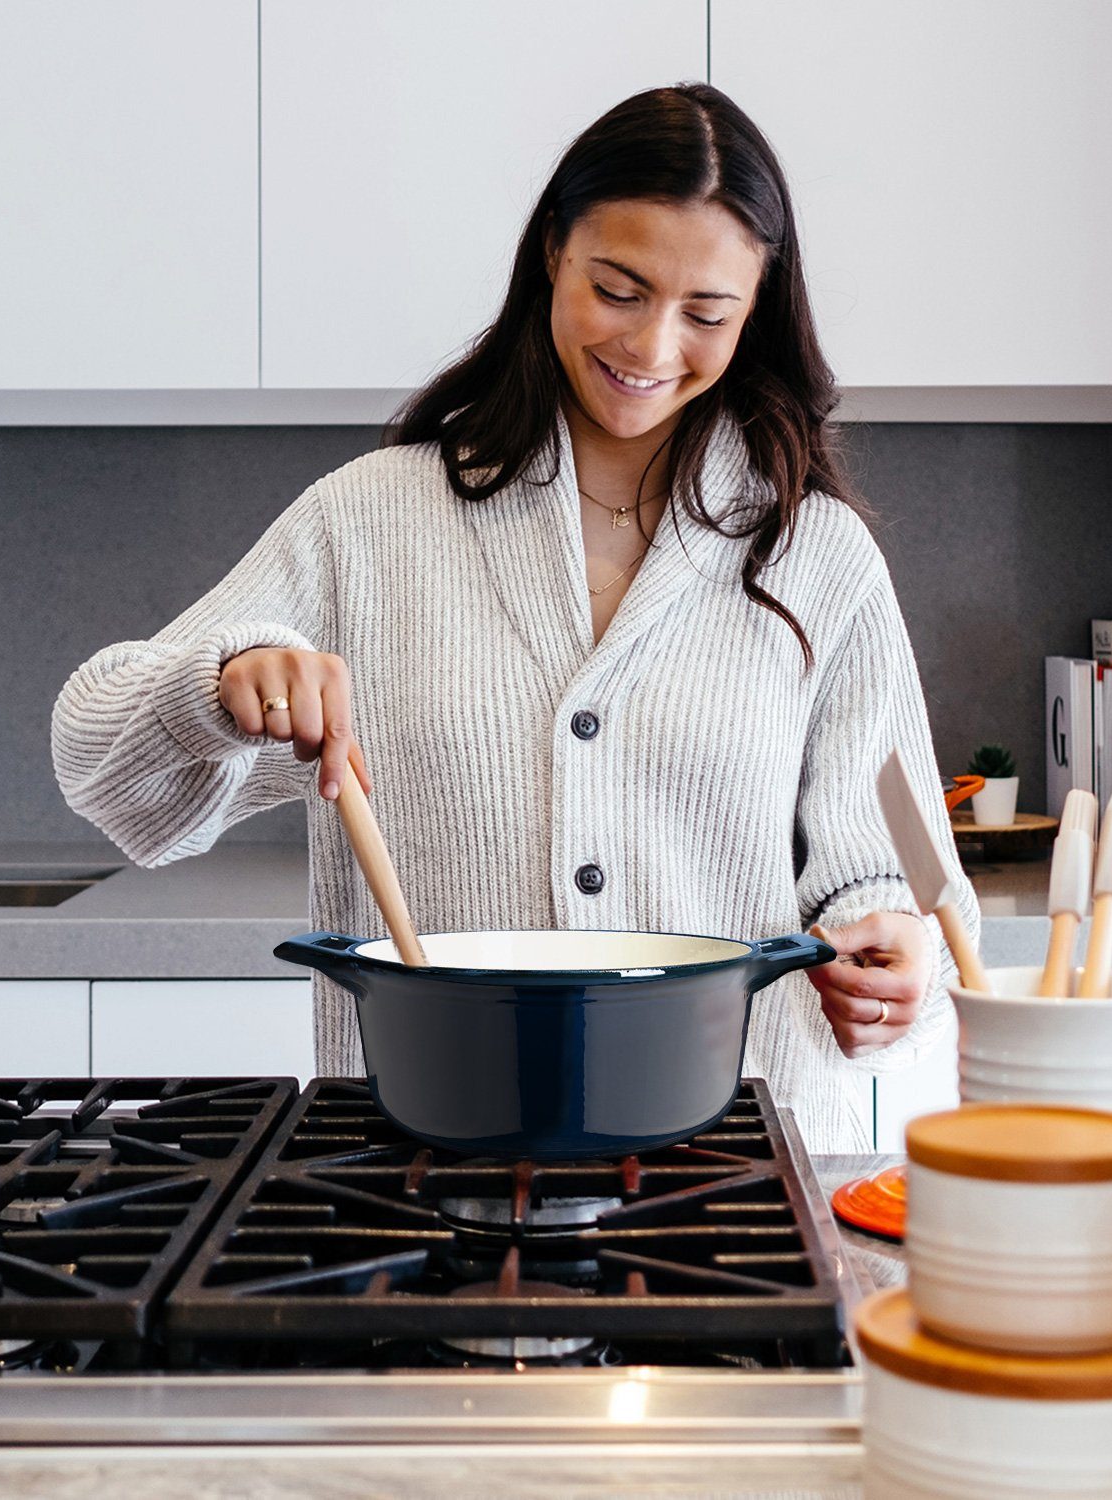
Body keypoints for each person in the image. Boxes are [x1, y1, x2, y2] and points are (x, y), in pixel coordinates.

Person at [51, 83, 979, 1152]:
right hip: (418, 1176)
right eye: (618, 288)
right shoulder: (374, 521)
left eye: (706, 313)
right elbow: (101, 768)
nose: (654, 344)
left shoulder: (817, 556)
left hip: (734, 1184)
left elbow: (892, 877)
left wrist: (895, 948)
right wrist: (219, 685)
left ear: (757, 309)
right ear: (552, 253)